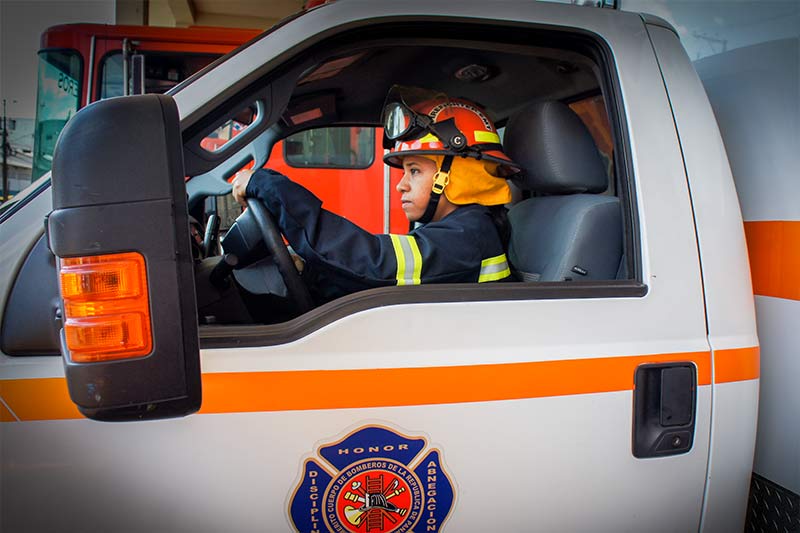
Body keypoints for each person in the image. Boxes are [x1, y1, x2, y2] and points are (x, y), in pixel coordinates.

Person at [231, 86, 519, 304]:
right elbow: (372, 284)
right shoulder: (460, 229)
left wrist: (268, 186)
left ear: (458, 175)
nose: (401, 185)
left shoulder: (468, 236)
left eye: (415, 171)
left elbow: (372, 263)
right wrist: (310, 274)